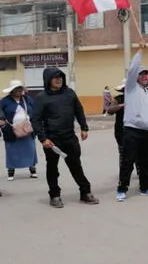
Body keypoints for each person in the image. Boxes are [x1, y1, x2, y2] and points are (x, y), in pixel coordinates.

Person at [31, 68, 99, 208]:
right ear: (48, 80)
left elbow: (78, 110)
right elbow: (35, 120)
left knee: (76, 166)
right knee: (52, 169)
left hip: (69, 137)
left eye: (61, 77)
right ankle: (54, 195)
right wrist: (43, 139)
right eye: (55, 77)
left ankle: (85, 192)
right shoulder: (41, 97)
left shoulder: (69, 93)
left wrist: (84, 127)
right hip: (52, 140)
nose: (59, 79)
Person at [116, 42, 148, 202]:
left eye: (146, 74)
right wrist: (140, 51)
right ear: (136, 77)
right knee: (128, 161)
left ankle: (145, 187)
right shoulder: (131, 88)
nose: (144, 76)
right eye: (141, 74)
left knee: (146, 162)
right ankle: (122, 189)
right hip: (132, 131)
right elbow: (131, 69)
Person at [0, 79, 38, 181]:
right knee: (11, 151)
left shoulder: (28, 99)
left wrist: (36, 123)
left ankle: (32, 169)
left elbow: (35, 110)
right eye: (16, 89)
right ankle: (11, 171)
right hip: (11, 130)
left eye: (19, 88)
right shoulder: (4, 101)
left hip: (27, 129)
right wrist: (2, 121)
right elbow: (0, 112)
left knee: (30, 149)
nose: (18, 90)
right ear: (11, 90)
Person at [107, 79, 126, 171]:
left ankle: (139, 173)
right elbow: (110, 110)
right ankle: (123, 175)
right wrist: (122, 105)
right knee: (123, 153)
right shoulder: (118, 99)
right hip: (121, 130)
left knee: (137, 154)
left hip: (135, 130)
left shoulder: (137, 98)